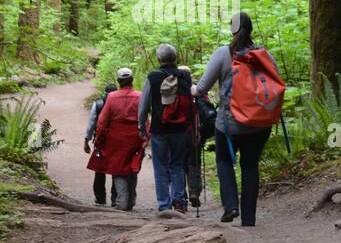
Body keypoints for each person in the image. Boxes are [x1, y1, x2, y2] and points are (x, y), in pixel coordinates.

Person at [193, 12, 273, 226]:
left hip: (230, 124)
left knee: (224, 160)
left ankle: (231, 206)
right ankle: (249, 219)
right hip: (260, 124)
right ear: (251, 29)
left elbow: (201, 88)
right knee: (250, 166)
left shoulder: (223, 53)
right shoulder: (264, 54)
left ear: (232, 29)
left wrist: (192, 89)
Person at [138, 44, 195, 217]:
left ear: (158, 59)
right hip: (180, 128)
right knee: (177, 165)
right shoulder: (185, 76)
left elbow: (144, 105)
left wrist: (142, 126)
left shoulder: (153, 77)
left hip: (159, 128)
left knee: (160, 166)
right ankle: (179, 201)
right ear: (175, 58)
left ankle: (164, 205)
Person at [87, 68, 143, 211]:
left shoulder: (111, 97)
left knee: (118, 168)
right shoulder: (140, 96)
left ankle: (122, 202)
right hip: (135, 138)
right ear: (132, 80)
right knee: (133, 167)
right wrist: (146, 136)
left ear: (118, 81)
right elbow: (144, 119)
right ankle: (130, 200)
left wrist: (98, 139)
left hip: (116, 140)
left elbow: (101, 121)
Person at [82, 83, 117, 205]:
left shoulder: (98, 104)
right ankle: (115, 199)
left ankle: (100, 198)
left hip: (101, 141)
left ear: (105, 92)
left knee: (99, 170)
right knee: (116, 170)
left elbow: (92, 123)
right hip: (117, 141)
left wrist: (87, 140)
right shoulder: (119, 104)